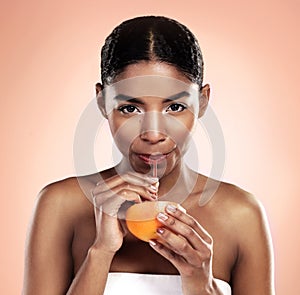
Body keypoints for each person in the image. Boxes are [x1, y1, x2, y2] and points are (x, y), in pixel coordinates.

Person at [22, 16, 275, 295]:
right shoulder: (60, 206)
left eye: (175, 107)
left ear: (202, 102)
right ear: (102, 101)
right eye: (131, 109)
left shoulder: (241, 216)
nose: (153, 134)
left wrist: (200, 282)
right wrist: (101, 252)